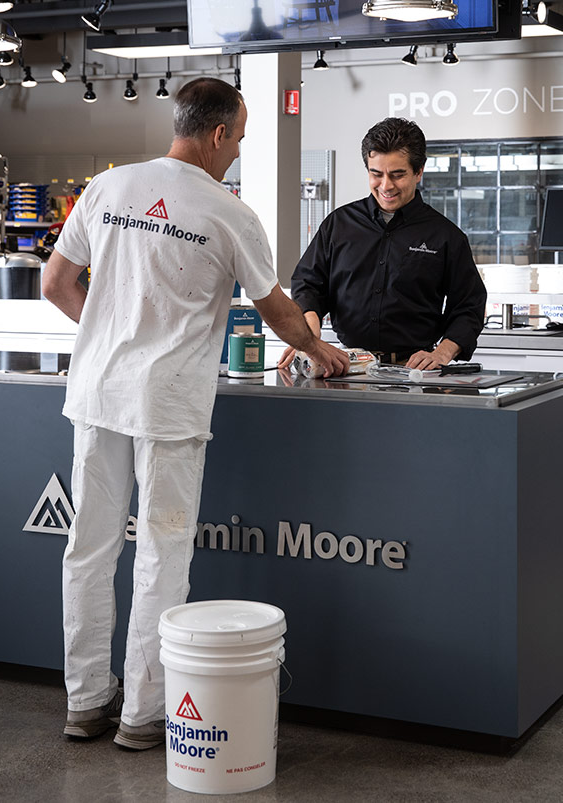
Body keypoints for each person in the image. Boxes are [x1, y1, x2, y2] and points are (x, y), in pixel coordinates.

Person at [42, 77, 348, 751]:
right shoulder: (228, 212)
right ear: (216, 134)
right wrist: (319, 347)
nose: (238, 150)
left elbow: (56, 283)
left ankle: (84, 703)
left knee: (86, 552)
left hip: (96, 394)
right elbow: (279, 315)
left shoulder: (108, 186)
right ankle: (142, 715)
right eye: (238, 138)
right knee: (160, 556)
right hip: (168, 405)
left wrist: (107, 332)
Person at [280, 117, 487, 372]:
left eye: (397, 175)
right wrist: (309, 333)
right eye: (376, 174)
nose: (386, 186)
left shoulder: (445, 236)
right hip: (347, 366)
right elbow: (309, 282)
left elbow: (470, 304)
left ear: (419, 171)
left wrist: (443, 353)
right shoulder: (339, 224)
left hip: (413, 372)